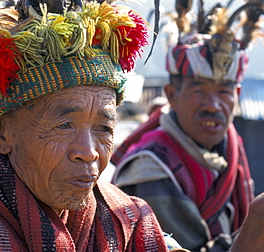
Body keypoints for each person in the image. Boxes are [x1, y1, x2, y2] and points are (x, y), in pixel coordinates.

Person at [0, 0, 189, 251]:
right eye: (64, 125)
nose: (89, 153)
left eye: (103, 128)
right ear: (0, 133)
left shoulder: (125, 219)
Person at [111, 1, 261, 251]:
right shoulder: (151, 168)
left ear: (237, 95)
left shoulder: (229, 148)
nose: (213, 105)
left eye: (224, 91)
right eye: (199, 89)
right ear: (171, 95)